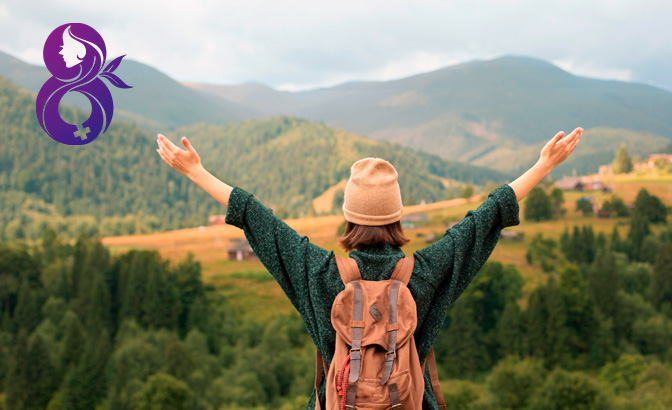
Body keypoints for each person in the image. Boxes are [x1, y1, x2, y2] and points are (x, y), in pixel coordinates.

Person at [156, 126, 583, 410]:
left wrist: (197, 171)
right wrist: (544, 165)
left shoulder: (319, 272)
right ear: (397, 216)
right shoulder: (427, 272)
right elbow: (485, 218)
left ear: (348, 216)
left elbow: (258, 219)